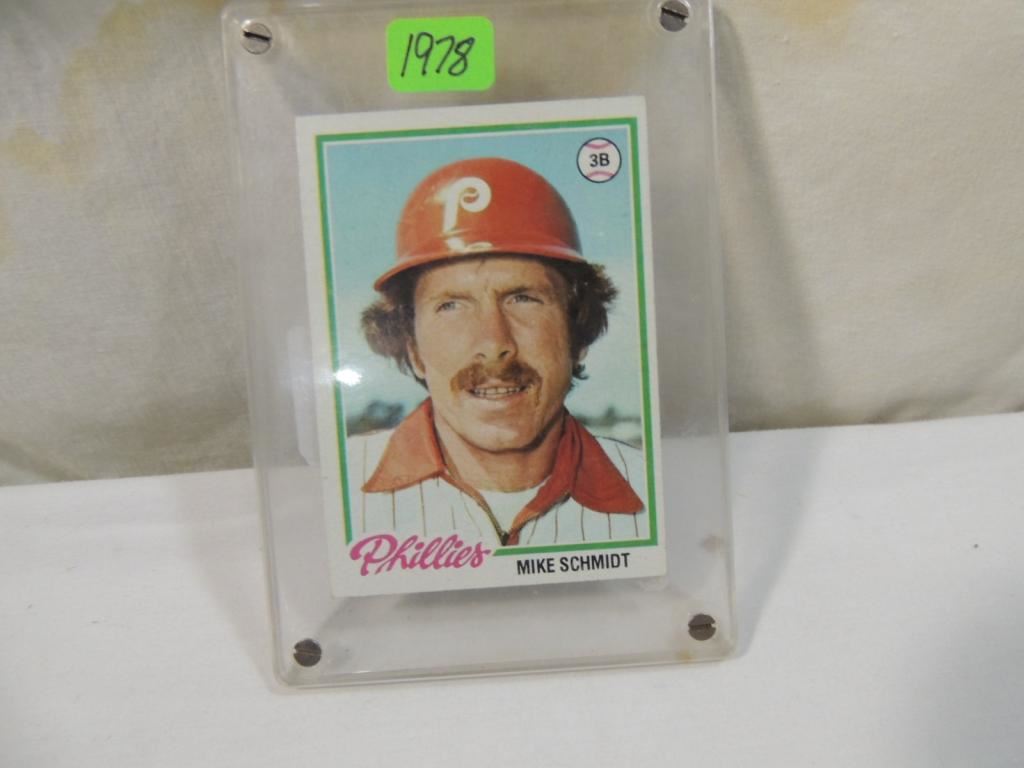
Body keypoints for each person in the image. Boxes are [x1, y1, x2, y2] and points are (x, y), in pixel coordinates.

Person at [349, 157, 648, 547]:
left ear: (578, 336)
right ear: (414, 349)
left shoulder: (653, 489)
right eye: (452, 305)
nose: (493, 344)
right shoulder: (338, 488)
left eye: (523, 298)